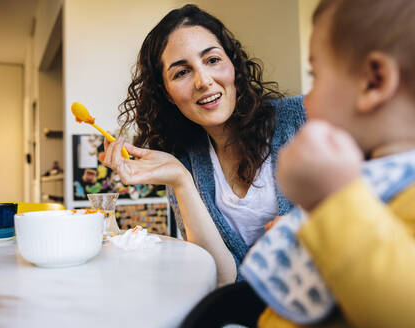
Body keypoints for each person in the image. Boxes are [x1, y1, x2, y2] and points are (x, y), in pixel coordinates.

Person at [241, 0, 415, 327]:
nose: (306, 99)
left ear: (373, 82)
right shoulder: (375, 174)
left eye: (316, 75)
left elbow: (413, 316)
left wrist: (332, 200)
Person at [99, 3, 305, 285]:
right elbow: (220, 279)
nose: (204, 81)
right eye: (181, 73)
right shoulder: (183, 160)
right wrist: (181, 181)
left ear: (233, 63)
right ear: (168, 93)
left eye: (212, 60)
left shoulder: (301, 118)